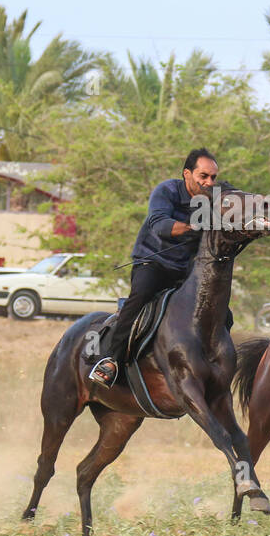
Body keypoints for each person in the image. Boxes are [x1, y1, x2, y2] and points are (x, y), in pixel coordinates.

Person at [88, 148, 220, 387]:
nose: (209, 182)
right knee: (139, 299)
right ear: (187, 174)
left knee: (221, 310)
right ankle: (110, 361)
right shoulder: (166, 191)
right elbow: (160, 225)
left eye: (213, 178)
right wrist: (196, 225)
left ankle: (212, 363)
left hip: (186, 270)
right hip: (152, 263)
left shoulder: (213, 199)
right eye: (204, 176)